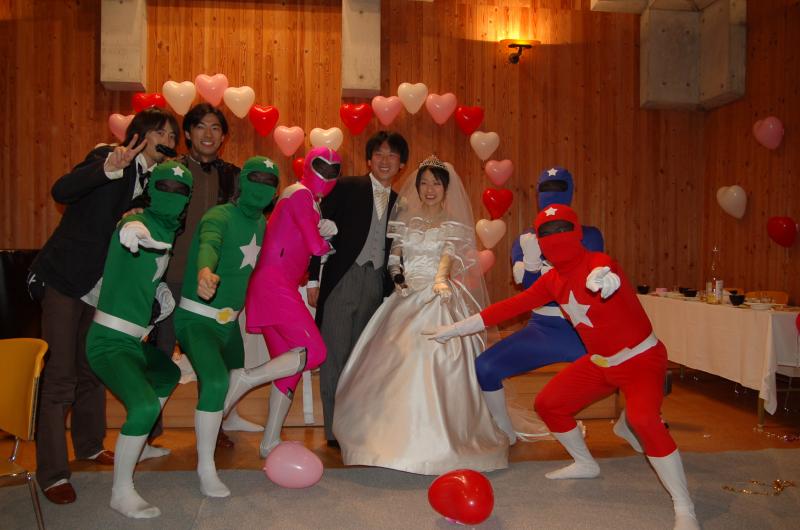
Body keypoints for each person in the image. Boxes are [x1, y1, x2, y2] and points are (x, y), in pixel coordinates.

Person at [428, 204, 699, 530]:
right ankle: (585, 462)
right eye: (547, 232)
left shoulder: (598, 262)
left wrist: (606, 279)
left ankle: (684, 507)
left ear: (577, 232)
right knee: (548, 404)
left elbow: (604, 270)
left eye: (562, 229)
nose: (556, 238)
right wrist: (454, 329)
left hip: (641, 359)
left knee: (643, 419)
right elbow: (507, 308)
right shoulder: (552, 281)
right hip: (600, 362)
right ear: (539, 241)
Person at [27, 107, 179, 504]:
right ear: (139, 136)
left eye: (172, 136)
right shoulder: (107, 158)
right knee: (60, 376)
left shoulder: (155, 185)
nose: (167, 141)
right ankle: (53, 473)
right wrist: (108, 168)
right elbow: (61, 191)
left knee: (90, 368)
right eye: (160, 132)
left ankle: (90, 445)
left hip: (99, 289)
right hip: (64, 279)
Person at [333, 156, 508, 475]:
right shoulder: (405, 220)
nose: (429, 189)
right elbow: (395, 257)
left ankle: (443, 432)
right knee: (390, 360)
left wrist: (440, 281)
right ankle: (385, 432)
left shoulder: (452, 224)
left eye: (436, 184)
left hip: (437, 296)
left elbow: (447, 258)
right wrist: (398, 279)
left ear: (445, 188)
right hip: (405, 294)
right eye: (424, 183)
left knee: (437, 358)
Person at [85, 160, 193, 519]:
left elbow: (145, 271)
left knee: (168, 374)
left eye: (180, 191)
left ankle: (141, 443)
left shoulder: (167, 231)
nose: (172, 195)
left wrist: (158, 292)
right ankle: (121, 491)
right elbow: (131, 230)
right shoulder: (139, 222)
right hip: (108, 341)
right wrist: (131, 228)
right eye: (165, 188)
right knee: (145, 406)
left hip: (133, 343)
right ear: (150, 190)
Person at [475, 166, 612, 445]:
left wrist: (536, 264)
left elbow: (585, 286)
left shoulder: (589, 236)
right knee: (485, 366)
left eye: (559, 188)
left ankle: (633, 422)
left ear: (570, 191)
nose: (552, 196)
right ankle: (505, 432)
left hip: (584, 329)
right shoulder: (525, 240)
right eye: (546, 189)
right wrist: (532, 263)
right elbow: (531, 291)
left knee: (631, 365)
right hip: (543, 328)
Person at [148, 103, 257, 443]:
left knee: (214, 357)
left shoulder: (234, 177)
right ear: (188, 133)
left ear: (223, 137)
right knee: (163, 349)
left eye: (215, 128)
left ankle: (215, 425)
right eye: (200, 126)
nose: (208, 134)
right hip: (172, 275)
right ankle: (147, 431)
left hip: (214, 283)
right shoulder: (170, 171)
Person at [224, 146, 342, 458]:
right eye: (321, 167)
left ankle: (270, 442)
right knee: (314, 352)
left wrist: (322, 232)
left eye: (333, 170)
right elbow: (315, 247)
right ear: (308, 167)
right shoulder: (300, 193)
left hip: (275, 285)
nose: (326, 175)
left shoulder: (307, 199)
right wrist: (327, 239)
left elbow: (303, 243)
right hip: (274, 285)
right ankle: (245, 378)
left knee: (289, 368)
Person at [173, 156, 278, 497]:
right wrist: (205, 271)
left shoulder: (260, 223)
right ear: (242, 181)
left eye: (269, 182)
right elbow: (210, 243)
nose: (261, 188)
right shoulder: (218, 215)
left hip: (228, 323)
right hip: (197, 318)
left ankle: (228, 419)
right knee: (216, 381)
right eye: (255, 179)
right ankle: (205, 466)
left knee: (235, 374)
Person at [306, 131, 409, 446]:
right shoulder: (347, 187)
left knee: (361, 360)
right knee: (334, 357)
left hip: (377, 285)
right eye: (379, 154)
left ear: (402, 164)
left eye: (392, 155)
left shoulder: (401, 203)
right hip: (343, 279)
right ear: (368, 160)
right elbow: (317, 229)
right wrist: (313, 279)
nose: (384, 160)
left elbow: (400, 251)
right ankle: (333, 431)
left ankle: (354, 427)